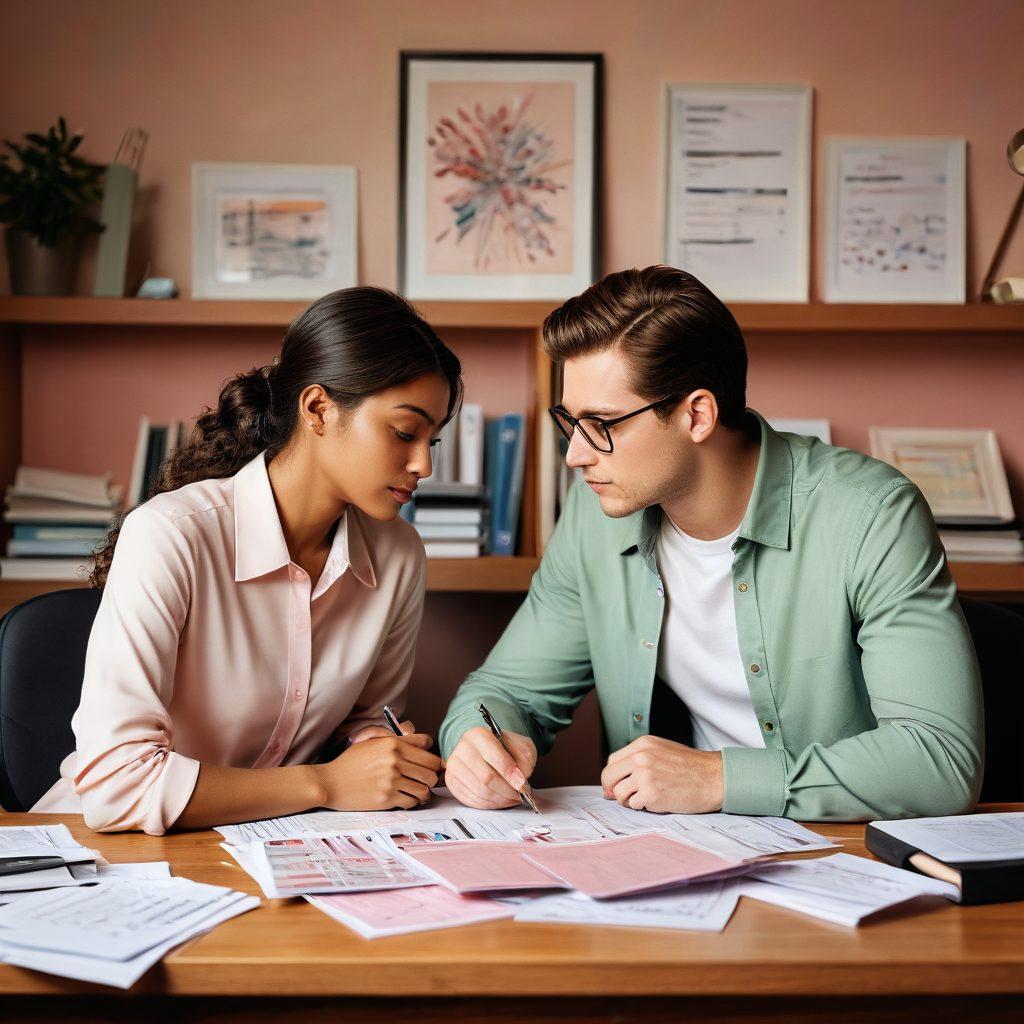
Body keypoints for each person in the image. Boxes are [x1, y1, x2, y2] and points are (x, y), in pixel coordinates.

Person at [440, 265, 983, 821]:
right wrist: (484, 740)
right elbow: (508, 688)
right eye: (569, 421)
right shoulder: (594, 512)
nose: (576, 455)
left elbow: (939, 759)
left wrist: (720, 777)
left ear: (697, 414)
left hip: (843, 854)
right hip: (671, 859)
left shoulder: (871, 515)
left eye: (601, 424)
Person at [33, 287, 458, 834]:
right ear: (318, 409)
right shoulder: (171, 536)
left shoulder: (398, 555)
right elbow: (117, 784)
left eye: (433, 441)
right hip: (107, 857)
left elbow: (369, 721)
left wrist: (381, 753)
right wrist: (326, 784)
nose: (423, 464)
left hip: (274, 846)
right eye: (404, 432)